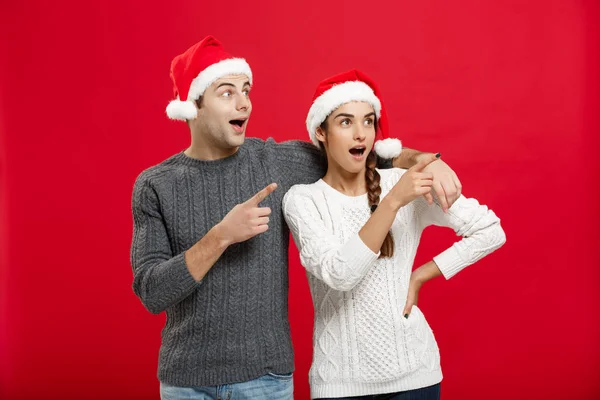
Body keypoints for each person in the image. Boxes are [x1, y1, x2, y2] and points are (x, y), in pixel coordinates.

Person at [131, 37, 463, 399]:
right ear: (193, 106)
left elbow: (361, 153)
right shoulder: (155, 185)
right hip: (186, 382)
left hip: (265, 380)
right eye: (227, 93)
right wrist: (220, 237)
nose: (244, 102)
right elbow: (152, 292)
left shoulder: (275, 162)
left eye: (246, 90)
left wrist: (427, 159)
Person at [282, 69, 506, 400]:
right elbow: (340, 273)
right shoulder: (303, 200)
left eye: (368, 121)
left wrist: (419, 276)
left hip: (416, 377)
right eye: (345, 122)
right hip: (339, 384)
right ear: (321, 131)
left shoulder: (402, 182)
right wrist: (394, 201)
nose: (360, 134)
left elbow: (490, 231)